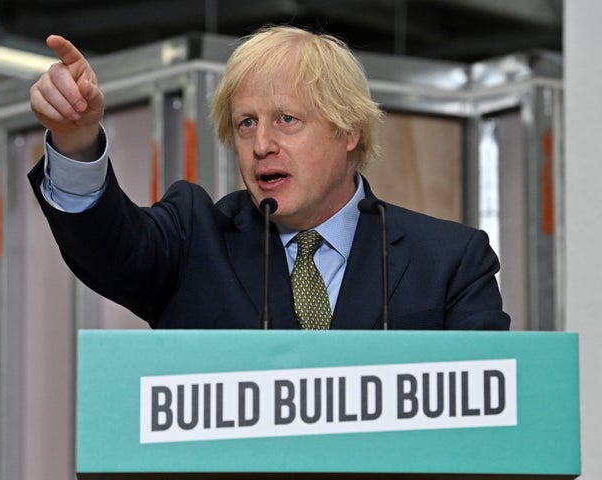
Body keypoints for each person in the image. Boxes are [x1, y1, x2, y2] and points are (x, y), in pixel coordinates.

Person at [28, 25, 510, 330]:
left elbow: (485, 421)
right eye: (246, 123)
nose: (261, 146)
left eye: (286, 120)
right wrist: (76, 140)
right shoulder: (194, 238)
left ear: (347, 130)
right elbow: (113, 250)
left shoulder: (451, 262)